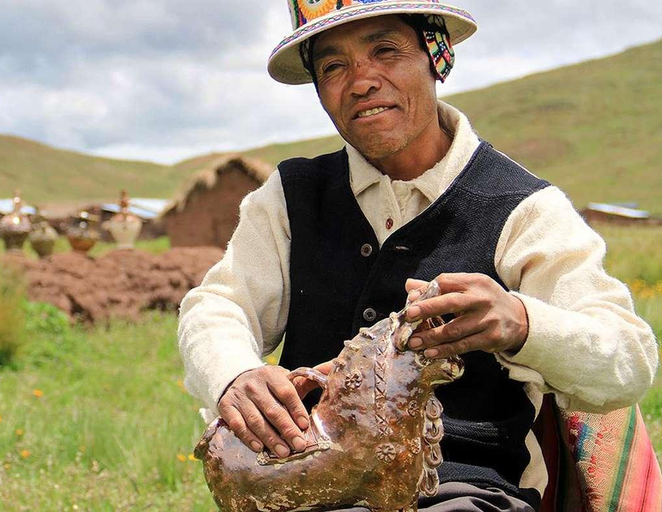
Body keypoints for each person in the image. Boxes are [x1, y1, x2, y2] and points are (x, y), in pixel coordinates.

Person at [178, 1, 658, 510]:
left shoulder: (523, 208)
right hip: (305, 484)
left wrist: (520, 322)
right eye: (333, 67)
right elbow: (217, 306)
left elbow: (628, 359)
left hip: (462, 494)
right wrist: (234, 373)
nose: (361, 81)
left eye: (385, 50)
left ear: (437, 56)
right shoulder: (290, 197)